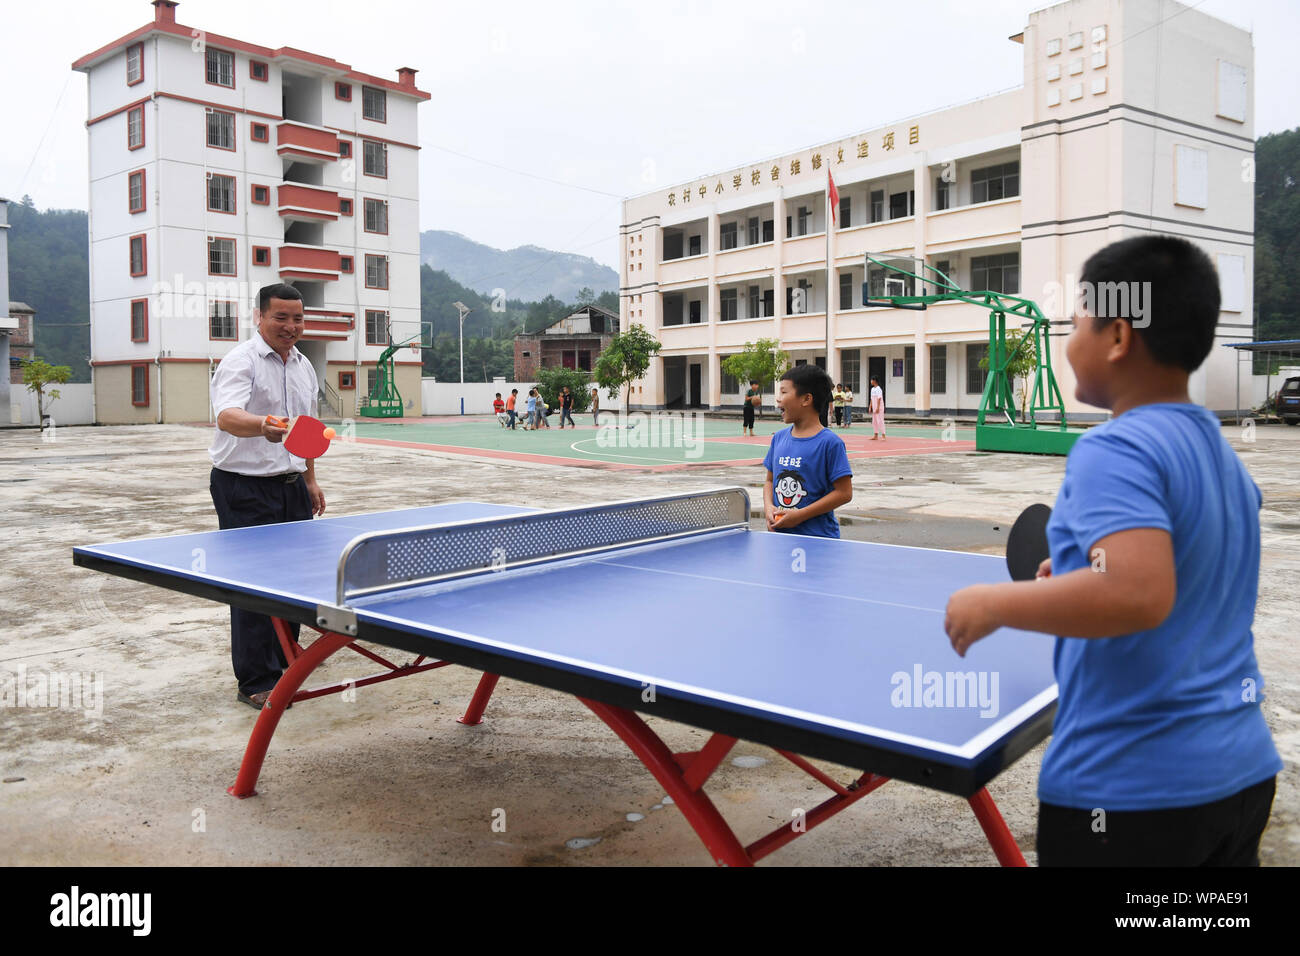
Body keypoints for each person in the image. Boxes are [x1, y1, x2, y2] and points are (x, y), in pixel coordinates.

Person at [944, 235, 1281, 866]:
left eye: (1075, 324)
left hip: (1131, 796)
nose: (1066, 343)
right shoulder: (1224, 461)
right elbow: (1186, 570)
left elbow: (1135, 592)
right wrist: (1074, 572)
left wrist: (996, 603)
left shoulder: (1113, 448)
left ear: (1119, 336)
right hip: (1237, 775)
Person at [208, 283, 326, 711]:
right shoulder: (241, 361)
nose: (290, 326)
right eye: (281, 317)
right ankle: (256, 679)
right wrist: (263, 426)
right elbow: (227, 416)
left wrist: (309, 478)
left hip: (291, 484)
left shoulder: (303, 365)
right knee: (253, 585)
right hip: (243, 486)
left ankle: (285, 664)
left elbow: (308, 428)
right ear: (259, 317)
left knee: (293, 581)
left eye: (297, 318)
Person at [762, 364, 853, 538]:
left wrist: (800, 516)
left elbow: (844, 493)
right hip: (780, 537)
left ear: (806, 399)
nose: (778, 399)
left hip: (818, 539)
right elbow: (769, 481)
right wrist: (768, 507)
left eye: (784, 392)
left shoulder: (830, 443)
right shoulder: (778, 438)